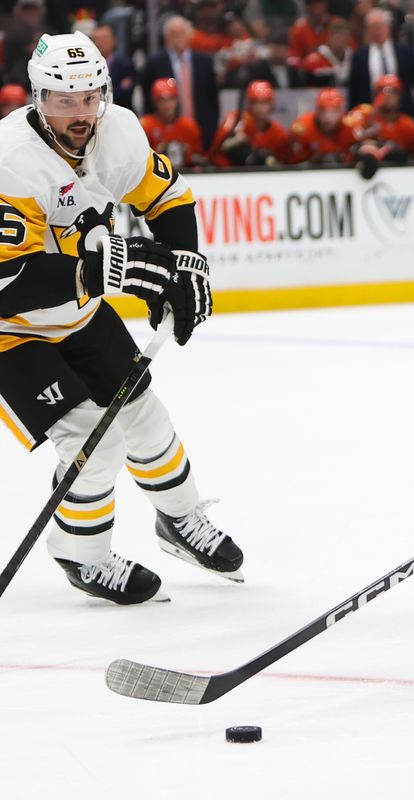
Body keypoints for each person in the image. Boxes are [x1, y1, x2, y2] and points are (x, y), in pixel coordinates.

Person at [0, 32, 241, 605]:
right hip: (11, 336)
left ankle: (179, 521)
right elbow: (5, 285)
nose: (80, 113)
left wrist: (186, 264)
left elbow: (167, 197)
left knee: (144, 417)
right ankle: (81, 556)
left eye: (90, 97)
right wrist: (98, 274)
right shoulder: (10, 161)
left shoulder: (121, 130)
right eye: (64, 99)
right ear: (39, 98)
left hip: (79, 317)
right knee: (90, 439)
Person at [143, 16, 220, 149]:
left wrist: (210, 130)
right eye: (173, 33)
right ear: (166, 37)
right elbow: (148, 98)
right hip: (164, 134)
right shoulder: (154, 63)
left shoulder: (204, 62)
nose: (178, 37)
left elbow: (212, 100)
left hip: (199, 131)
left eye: (182, 32)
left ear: (190, 35)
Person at [208, 80, 293, 167]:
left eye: (265, 102)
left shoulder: (278, 132)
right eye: (256, 102)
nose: (261, 107)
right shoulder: (237, 120)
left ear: (271, 104)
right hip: (227, 172)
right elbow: (221, 147)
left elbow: (284, 161)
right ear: (249, 104)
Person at [350, 75, 414, 173]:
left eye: (394, 92)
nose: (388, 96)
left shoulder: (410, 126)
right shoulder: (362, 114)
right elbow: (350, 142)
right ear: (376, 94)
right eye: (383, 91)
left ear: (400, 95)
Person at [141, 78, 207, 168]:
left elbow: (200, 157)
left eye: (171, 99)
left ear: (177, 100)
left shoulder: (189, 126)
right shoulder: (145, 125)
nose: (166, 104)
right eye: (161, 100)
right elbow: (140, 158)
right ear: (155, 102)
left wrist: (188, 154)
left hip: (186, 173)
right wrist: (156, 153)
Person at [290, 87, 357, 164]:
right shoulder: (302, 128)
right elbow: (292, 164)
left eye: (333, 111)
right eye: (323, 110)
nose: (327, 117)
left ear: (341, 112)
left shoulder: (351, 127)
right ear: (317, 111)